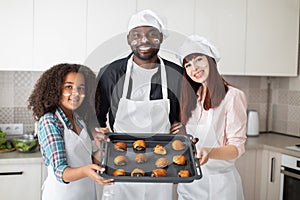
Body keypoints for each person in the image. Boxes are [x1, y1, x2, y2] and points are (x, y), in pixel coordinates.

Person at [95, 9, 183, 200]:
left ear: (161, 38)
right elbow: (99, 117)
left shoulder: (176, 73)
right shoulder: (110, 73)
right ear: (128, 39)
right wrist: (100, 135)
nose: (144, 40)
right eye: (137, 35)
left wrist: (182, 122)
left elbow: (185, 112)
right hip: (120, 160)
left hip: (160, 162)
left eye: (152, 34)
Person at [172, 35, 247, 200]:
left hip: (219, 186)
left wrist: (209, 152)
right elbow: (193, 140)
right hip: (189, 183)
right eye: (188, 65)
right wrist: (180, 133)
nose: (195, 68)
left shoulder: (232, 96)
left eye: (199, 59)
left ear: (211, 61)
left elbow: (236, 148)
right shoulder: (190, 97)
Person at [27, 63, 113, 200]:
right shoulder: (50, 121)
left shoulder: (78, 118)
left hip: (87, 194)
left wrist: (104, 148)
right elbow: (61, 172)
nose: (76, 93)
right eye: (69, 87)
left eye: (81, 88)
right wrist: (86, 171)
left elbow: (84, 160)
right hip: (62, 195)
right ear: (56, 90)